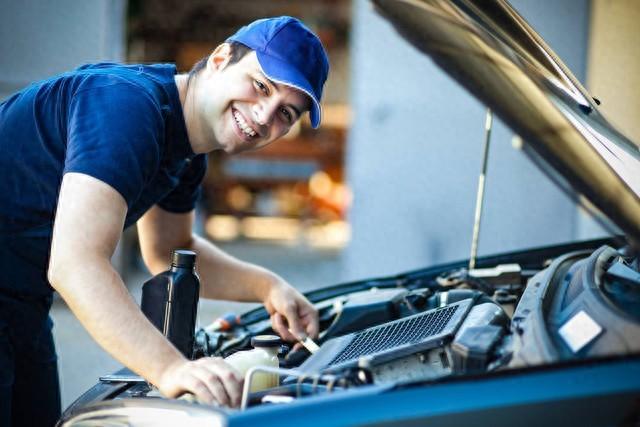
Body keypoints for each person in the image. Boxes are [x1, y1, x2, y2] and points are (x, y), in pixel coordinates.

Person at [0, 16, 329, 426]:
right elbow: (75, 263)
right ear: (221, 57)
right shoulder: (127, 108)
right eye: (261, 86)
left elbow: (167, 253)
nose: (264, 117)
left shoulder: (187, 153)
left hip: (22, 303)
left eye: (286, 114)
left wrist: (269, 287)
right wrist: (170, 368)